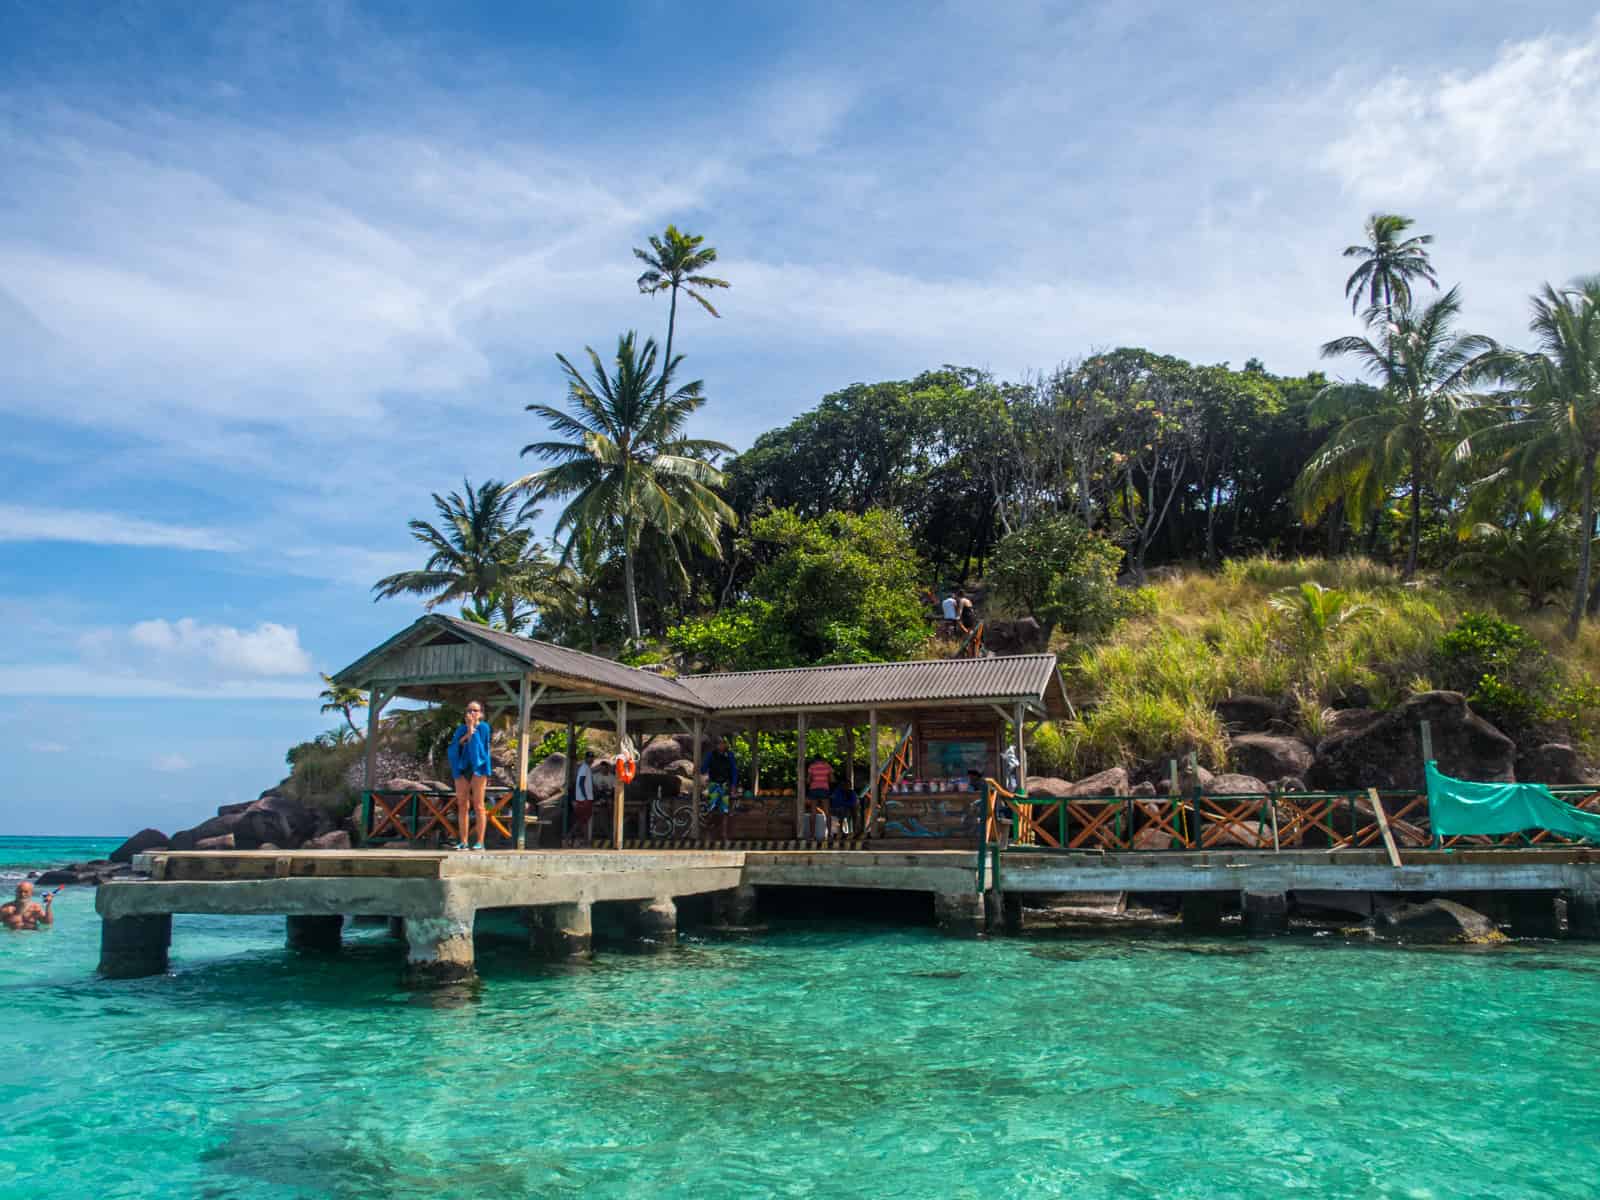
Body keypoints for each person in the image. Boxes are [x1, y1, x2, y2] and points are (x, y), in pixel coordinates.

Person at [448, 699, 492, 851]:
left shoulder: (484, 728)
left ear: (481, 714)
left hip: (478, 768)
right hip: (462, 768)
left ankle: (480, 841)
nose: (472, 713)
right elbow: (454, 747)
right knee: (462, 805)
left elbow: (479, 748)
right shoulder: (461, 729)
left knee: (479, 805)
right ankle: (464, 841)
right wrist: (467, 732)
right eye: (469, 710)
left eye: (475, 710)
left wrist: (472, 728)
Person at [700, 735, 739, 842]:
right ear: (716, 745)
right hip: (713, 785)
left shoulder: (729, 755)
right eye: (720, 743)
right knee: (712, 810)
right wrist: (700, 768)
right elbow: (703, 770)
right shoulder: (711, 755)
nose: (722, 745)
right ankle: (709, 834)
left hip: (725, 785)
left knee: (725, 811)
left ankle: (724, 835)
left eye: (724, 743)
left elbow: (734, 771)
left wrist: (734, 786)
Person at [805, 755, 834, 841]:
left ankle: (812, 836)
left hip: (813, 789)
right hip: (824, 789)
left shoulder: (812, 766)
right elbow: (832, 779)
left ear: (815, 760)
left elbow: (808, 780)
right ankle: (829, 835)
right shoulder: (828, 766)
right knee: (827, 812)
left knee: (813, 813)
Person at [572, 750, 596, 847]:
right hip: (583, 798)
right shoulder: (584, 768)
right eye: (589, 757)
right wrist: (585, 797)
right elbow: (581, 783)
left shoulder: (587, 768)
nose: (591, 759)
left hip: (586, 797)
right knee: (582, 821)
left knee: (584, 820)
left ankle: (584, 841)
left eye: (592, 757)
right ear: (586, 758)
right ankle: (582, 840)